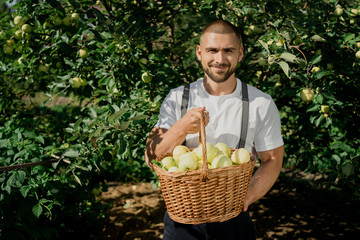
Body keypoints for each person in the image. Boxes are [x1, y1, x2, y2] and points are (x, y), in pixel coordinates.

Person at [145, 19, 284, 240]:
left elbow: (273, 160)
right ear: (199, 53)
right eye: (212, 50)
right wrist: (181, 128)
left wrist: (246, 197)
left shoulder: (260, 103)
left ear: (240, 54)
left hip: (234, 219)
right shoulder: (178, 98)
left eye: (228, 51)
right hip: (183, 219)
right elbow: (152, 154)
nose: (220, 59)